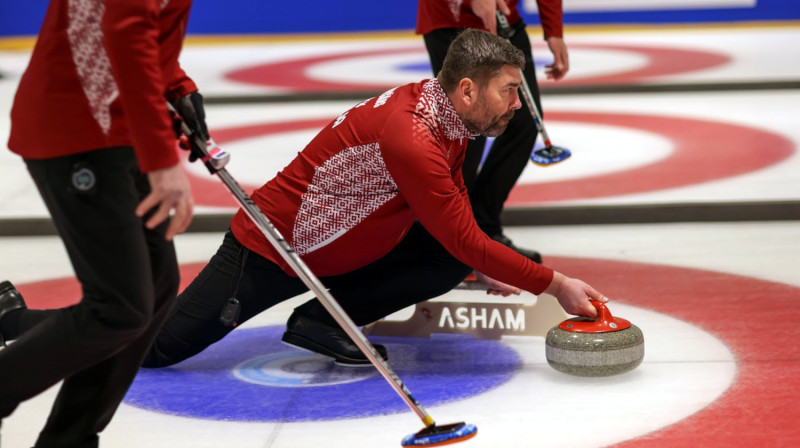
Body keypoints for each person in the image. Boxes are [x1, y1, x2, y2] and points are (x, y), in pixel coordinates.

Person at [136, 29, 607, 370]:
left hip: (339, 249)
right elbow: (465, 238)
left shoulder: (448, 116)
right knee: (154, 350)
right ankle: (81, 324)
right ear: (468, 90)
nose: (518, 105)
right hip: (272, 252)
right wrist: (554, 284)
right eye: (509, 91)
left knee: (449, 257)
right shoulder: (413, 136)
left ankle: (323, 322)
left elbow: (459, 217)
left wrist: (484, 263)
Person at [0, 1, 200, 446]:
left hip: (111, 126)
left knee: (153, 290)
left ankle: (69, 438)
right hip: (77, 128)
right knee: (119, 306)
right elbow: (125, 32)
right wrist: (162, 161)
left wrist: (178, 86)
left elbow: (139, 32)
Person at [417, 0, 570, 263]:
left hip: (503, 20)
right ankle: (450, 239)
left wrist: (553, 30)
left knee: (521, 121)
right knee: (466, 128)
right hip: (451, 20)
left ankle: (483, 227)